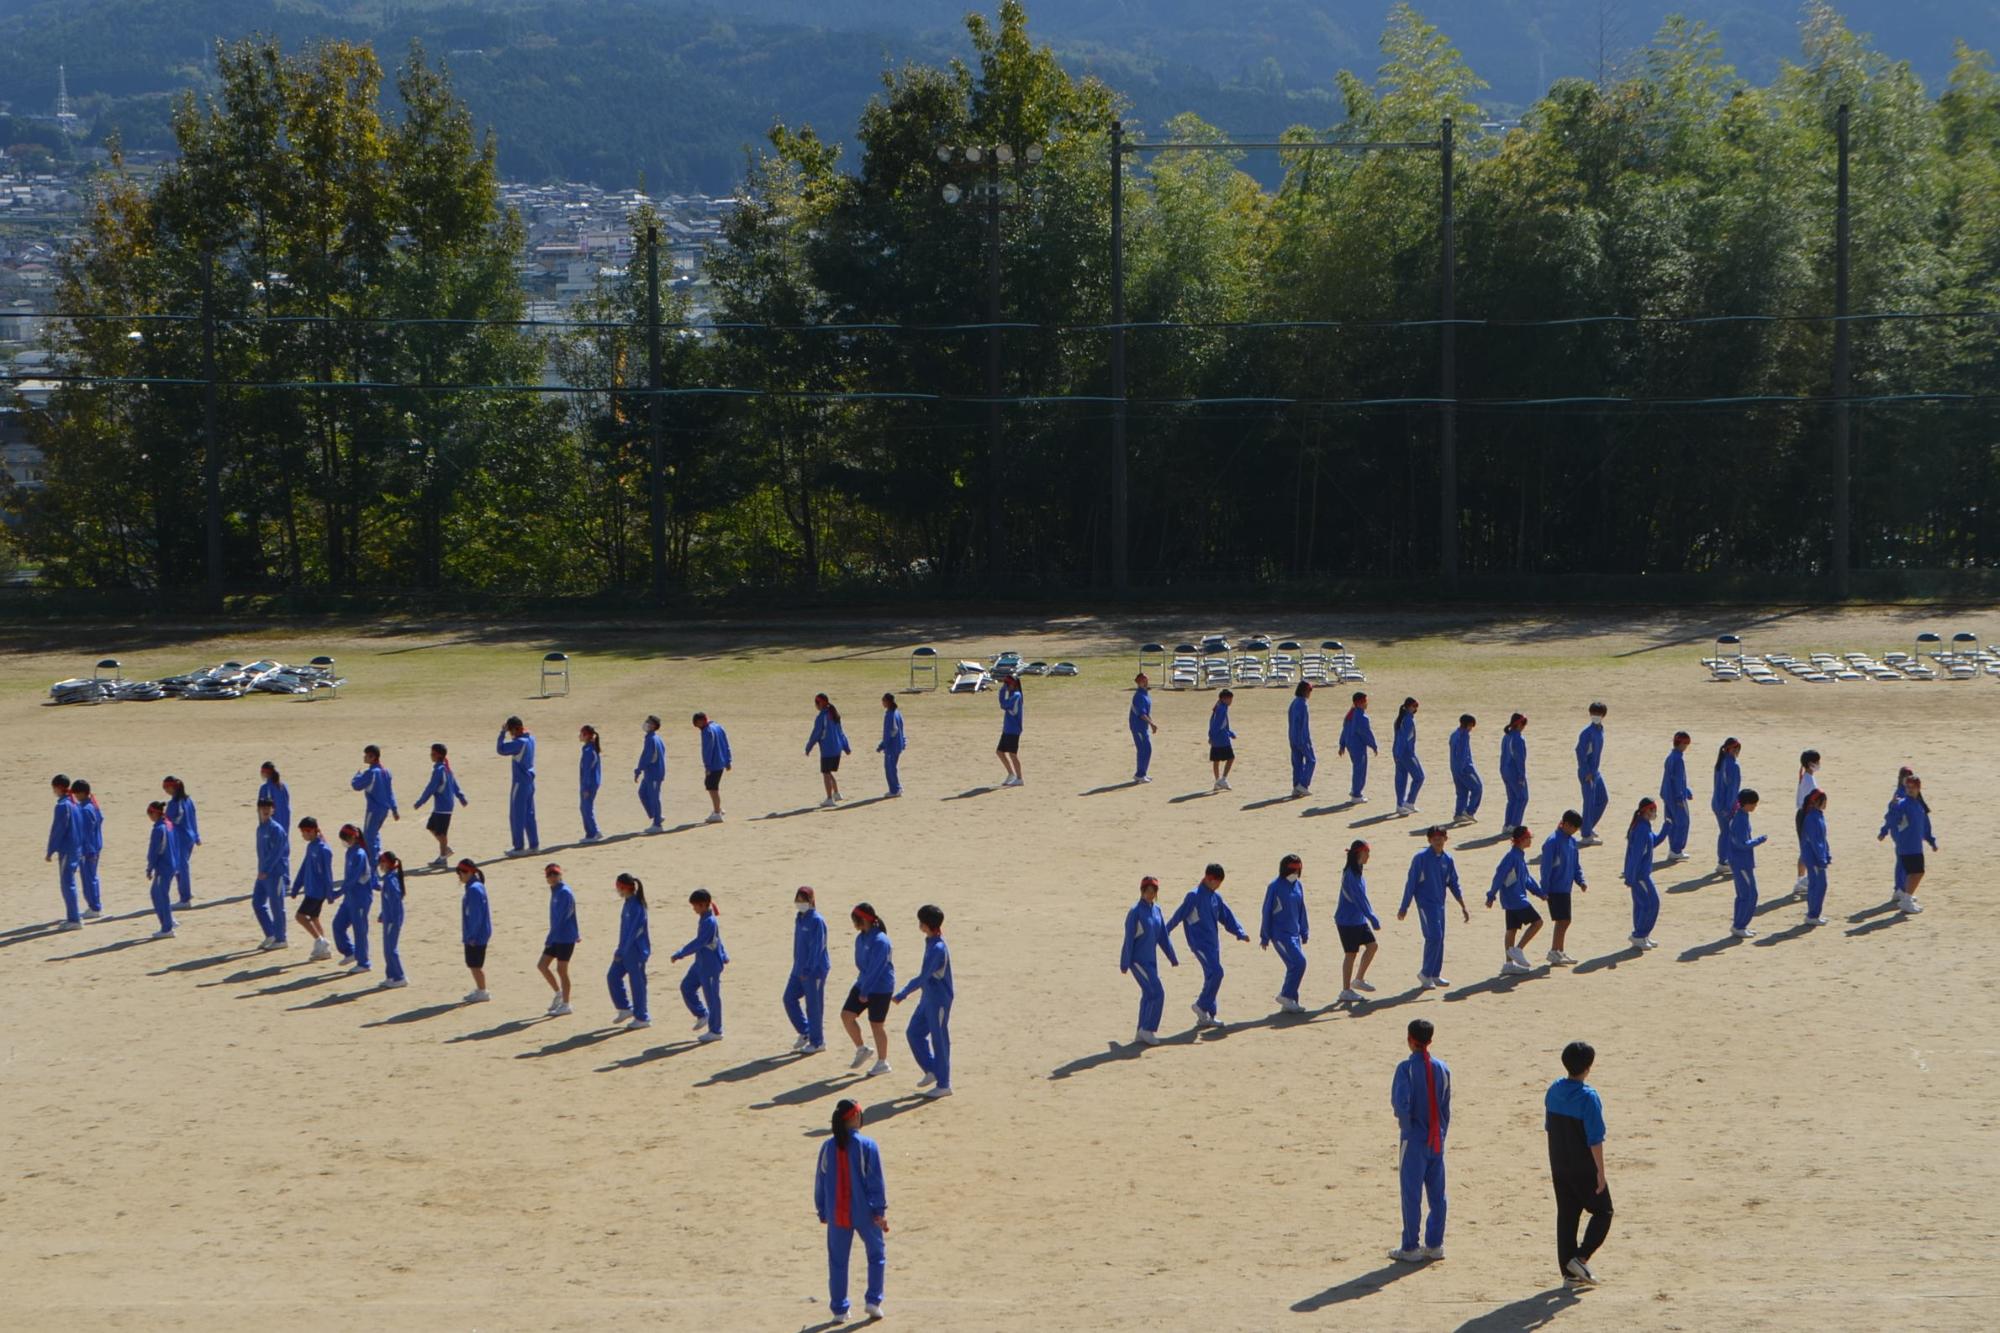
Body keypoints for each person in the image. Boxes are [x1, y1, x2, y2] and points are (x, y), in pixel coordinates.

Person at [815, 1099, 888, 1323]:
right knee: (876, 1254)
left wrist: (822, 1210)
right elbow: (875, 1182)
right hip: (864, 1212)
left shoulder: (827, 1147)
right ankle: (873, 1301)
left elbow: (820, 1181)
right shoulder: (868, 1145)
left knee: (837, 1261)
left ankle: (839, 1309)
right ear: (856, 1117)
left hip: (837, 1212)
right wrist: (879, 1211)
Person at [1546, 1040, 1613, 1287]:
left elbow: (1549, 1127)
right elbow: (1595, 1139)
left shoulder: (1553, 1090)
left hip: (1558, 1163)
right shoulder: (1588, 1097)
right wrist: (1600, 1173)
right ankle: (1580, 1258)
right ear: (1588, 1067)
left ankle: (1570, 1275)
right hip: (1583, 1166)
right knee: (1604, 1211)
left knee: (1567, 1216)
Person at [1389, 1018, 1452, 1263]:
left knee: (1411, 1193)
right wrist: (1441, 1132)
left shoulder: (1405, 1069)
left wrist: (1407, 1127)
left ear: (1410, 1040)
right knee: (1437, 1194)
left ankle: (1410, 1246)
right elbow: (1445, 1106)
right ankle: (1435, 1243)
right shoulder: (1442, 1068)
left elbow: (1401, 1104)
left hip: (1414, 1138)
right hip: (1436, 1138)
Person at [1166, 863, 1250, 1028]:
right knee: (1217, 973)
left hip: (1213, 944)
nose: (1218, 886)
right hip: (1200, 944)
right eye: (1217, 882)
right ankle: (1201, 1005)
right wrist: (1165, 931)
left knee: (1211, 977)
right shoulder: (1193, 896)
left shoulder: (1215, 897)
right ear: (1209, 879)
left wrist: (1239, 932)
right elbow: (1179, 915)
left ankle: (1208, 1016)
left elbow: (1227, 916)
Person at [893, 904, 954, 1099]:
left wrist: (903, 993)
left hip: (939, 1000)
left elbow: (923, 977)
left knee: (939, 1039)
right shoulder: (930, 941)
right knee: (913, 1033)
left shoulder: (938, 948)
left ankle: (944, 1084)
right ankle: (932, 1069)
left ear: (927, 924)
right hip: (927, 997)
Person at [1399, 826, 1468, 988]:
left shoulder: (1447, 859)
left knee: (1440, 938)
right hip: (1425, 904)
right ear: (1429, 840)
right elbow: (1411, 883)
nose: (1438, 841)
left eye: (1441, 838)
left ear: (1446, 839)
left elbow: (1453, 883)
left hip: (1440, 905)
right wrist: (1404, 906)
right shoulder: (1420, 858)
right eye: (1435, 838)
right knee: (1434, 937)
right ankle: (1425, 974)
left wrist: (1462, 905)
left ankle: (1435, 974)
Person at [1120, 875, 1179, 1045]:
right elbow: (1128, 939)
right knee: (1157, 993)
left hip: (1151, 961)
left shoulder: (1157, 910)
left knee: (1148, 994)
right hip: (1138, 961)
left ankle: (1141, 1031)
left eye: (1153, 891)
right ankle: (1148, 1029)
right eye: (1147, 890)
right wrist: (1125, 962)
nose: (1150, 894)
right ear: (1142, 891)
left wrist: (1172, 956)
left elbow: (1163, 936)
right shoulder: (1135, 912)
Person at [841, 903, 896, 1074]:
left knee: (876, 1025)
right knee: (846, 1016)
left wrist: (865, 991)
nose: (854, 924)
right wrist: (863, 986)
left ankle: (882, 1062)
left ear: (864, 920)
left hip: (881, 987)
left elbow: (877, 969)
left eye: (855, 920)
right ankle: (862, 1049)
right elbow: (861, 964)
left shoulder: (880, 941)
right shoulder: (860, 938)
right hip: (863, 982)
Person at [1485, 824, 1545, 974]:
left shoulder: (1519, 856)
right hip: (1516, 899)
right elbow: (1499, 875)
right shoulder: (1512, 857)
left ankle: (1508, 964)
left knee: (1511, 929)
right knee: (1537, 922)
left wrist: (1539, 893)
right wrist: (1491, 895)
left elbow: (1526, 878)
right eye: (1528, 838)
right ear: (1521, 840)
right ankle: (1518, 949)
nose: (1530, 840)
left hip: (1511, 899)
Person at [671, 887, 728, 1040]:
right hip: (700, 963)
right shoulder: (704, 917)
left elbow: (700, 942)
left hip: (710, 966)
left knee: (712, 998)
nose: (694, 909)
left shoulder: (709, 921)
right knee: (686, 987)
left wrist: (681, 953)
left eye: (695, 906)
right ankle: (702, 1014)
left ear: (703, 905)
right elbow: (717, 939)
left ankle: (716, 1031)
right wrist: (724, 954)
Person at [1260, 853, 1310, 1014]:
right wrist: (1264, 936)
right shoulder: (1274, 887)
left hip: (1295, 934)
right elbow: (1266, 911)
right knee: (1300, 963)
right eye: (1292, 869)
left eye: (1298, 869)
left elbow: (1301, 910)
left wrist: (1304, 931)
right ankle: (1286, 995)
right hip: (1280, 935)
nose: (1295, 872)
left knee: (1294, 966)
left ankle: (1291, 1002)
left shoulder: (1298, 885)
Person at [1880, 774, 1936, 914]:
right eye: (1908, 787)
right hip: (1907, 845)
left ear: (1918, 788)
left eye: (1913, 787)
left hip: (1916, 846)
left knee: (1916, 873)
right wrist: (1885, 829)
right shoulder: (1902, 804)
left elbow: (1925, 824)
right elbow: (1891, 819)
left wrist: (1931, 840)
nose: (1910, 789)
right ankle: (1906, 899)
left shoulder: (1919, 805)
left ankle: (1906, 897)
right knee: (1915, 873)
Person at [1334, 841, 1382, 1004]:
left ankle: (1358, 979)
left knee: (1372, 946)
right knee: (1351, 954)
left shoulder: (1358, 871)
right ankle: (1346, 990)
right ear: (1359, 854)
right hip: (1347, 921)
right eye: (1367, 853)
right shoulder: (1350, 875)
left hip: (1358, 920)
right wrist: (1372, 917)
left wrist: (1368, 916)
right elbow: (1359, 899)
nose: (1368, 856)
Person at [1538, 811, 1589, 965]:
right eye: (1574, 827)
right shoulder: (1552, 842)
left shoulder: (1572, 841)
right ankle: (1555, 951)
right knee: (1563, 920)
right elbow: (1545, 868)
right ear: (1565, 824)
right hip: (1555, 888)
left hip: (1566, 888)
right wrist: (1544, 889)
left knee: (1564, 920)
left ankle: (1558, 951)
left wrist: (1580, 880)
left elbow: (1575, 865)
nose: (1575, 831)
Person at [786, 887, 831, 1053]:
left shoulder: (817, 921)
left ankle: (818, 1042)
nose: (799, 903)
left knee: (814, 1006)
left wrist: (809, 968)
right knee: (788, 998)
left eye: (803, 900)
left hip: (814, 971)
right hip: (798, 968)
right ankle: (805, 1031)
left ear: (811, 900)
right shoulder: (799, 918)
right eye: (797, 900)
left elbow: (818, 947)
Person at [411, 742, 467, 868]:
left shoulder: (439, 770)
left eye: (433, 753)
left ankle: (443, 857)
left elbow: (431, 788)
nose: (431, 755)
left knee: (441, 833)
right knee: (431, 826)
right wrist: (461, 797)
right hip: (442, 806)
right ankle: (445, 849)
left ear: (439, 755)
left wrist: (420, 802)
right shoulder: (446, 769)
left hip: (443, 807)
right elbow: (455, 785)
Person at [1621, 799, 1667, 950]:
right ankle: (1639, 935)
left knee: (1641, 904)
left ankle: (1642, 935)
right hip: (1639, 875)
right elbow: (1636, 855)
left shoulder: (1644, 826)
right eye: (1652, 810)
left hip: (1640, 874)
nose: (1654, 813)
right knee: (1652, 903)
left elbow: (1653, 842)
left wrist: (1666, 828)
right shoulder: (1641, 829)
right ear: (1645, 811)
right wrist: (1631, 877)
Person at [608, 872, 651, 1029]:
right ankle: (625, 1008)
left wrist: (622, 951)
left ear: (624, 887)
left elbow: (634, 932)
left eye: (618, 887)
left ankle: (642, 1017)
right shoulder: (627, 903)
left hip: (636, 952)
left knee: (637, 984)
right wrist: (620, 948)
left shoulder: (637, 907)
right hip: (624, 950)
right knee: (612, 976)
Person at [348, 746, 398, 883]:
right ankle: (378, 857)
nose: (364, 757)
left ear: (373, 757)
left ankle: (373, 871)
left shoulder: (371, 773)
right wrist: (394, 809)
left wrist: (357, 775)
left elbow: (356, 785)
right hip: (384, 810)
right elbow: (390, 792)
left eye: (367, 755)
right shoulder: (386, 772)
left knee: (368, 839)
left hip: (373, 810)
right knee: (374, 835)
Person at [330, 823, 374, 974]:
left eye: (346, 838)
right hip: (350, 897)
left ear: (354, 837)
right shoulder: (349, 852)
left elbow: (353, 879)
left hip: (360, 897)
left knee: (360, 930)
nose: (344, 842)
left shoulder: (360, 854)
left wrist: (338, 892)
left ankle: (364, 962)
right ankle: (350, 952)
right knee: (338, 925)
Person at [289, 816, 335, 959]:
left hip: (317, 892)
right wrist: (296, 886)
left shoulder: (324, 850)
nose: (303, 835)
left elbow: (328, 873)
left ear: (313, 831)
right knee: (314, 918)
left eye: (306, 831)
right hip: (310, 890)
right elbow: (304, 867)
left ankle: (319, 941)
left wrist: (329, 893)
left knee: (300, 916)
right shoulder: (311, 847)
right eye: (302, 832)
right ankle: (323, 949)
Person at [1726, 788, 1768, 939]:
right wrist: (1759, 840)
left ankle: (1739, 925)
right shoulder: (1740, 819)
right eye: (1754, 803)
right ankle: (1739, 925)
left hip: (1741, 861)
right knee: (1749, 894)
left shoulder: (1741, 815)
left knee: (1743, 894)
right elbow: (1742, 844)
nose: (1755, 806)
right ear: (1747, 803)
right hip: (1741, 862)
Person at [539, 863, 580, 1017]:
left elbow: (565, 917)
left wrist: (551, 936)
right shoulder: (555, 891)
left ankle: (566, 1004)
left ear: (560, 874)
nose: (553, 877)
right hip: (556, 936)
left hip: (565, 937)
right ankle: (559, 994)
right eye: (549, 874)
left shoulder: (564, 892)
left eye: (555, 874)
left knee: (562, 970)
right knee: (542, 965)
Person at [496, 718, 539, 855]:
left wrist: (502, 733)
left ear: (515, 729)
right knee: (529, 814)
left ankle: (519, 847)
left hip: (520, 783)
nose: (511, 734)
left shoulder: (519, 743)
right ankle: (534, 844)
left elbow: (500, 749)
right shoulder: (531, 739)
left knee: (516, 815)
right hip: (530, 781)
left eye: (511, 731)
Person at [250, 800, 289, 950]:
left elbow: (277, 853)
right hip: (262, 873)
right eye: (263, 808)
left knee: (277, 905)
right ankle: (271, 933)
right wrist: (262, 870)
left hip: (274, 873)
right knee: (257, 903)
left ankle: (281, 938)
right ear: (258, 810)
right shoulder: (260, 828)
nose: (265, 810)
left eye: (268, 808)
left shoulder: (276, 829)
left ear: (273, 810)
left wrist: (266, 870)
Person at [45, 774, 82, 930]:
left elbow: (58, 829)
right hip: (76, 847)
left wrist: (51, 849)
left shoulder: (62, 806)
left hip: (67, 848)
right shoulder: (74, 803)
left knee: (67, 884)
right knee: (70, 882)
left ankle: (74, 919)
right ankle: (74, 916)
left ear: (59, 787)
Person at [143, 801, 180, 940]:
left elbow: (154, 851)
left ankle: (167, 927)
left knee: (160, 895)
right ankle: (169, 920)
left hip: (164, 866)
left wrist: (150, 867)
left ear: (154, 813)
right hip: (171, 864)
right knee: (158, 893)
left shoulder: (158, 829)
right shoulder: (168, 825)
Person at [807, 696, 853, 807]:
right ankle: (836, 793)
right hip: (837, 749)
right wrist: (846, 747)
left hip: (828, 749)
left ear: (820, 704)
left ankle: (829, 798)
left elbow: (816, 734)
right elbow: (841, 733)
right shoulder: (834, 714)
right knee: (827, 772)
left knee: (826, 773)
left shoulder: (822, 717)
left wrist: (808, 747)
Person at [458, 860, 493, 1003]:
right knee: (473, 964)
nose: (459, 876)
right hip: (478, 932)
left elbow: (475, 915)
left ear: (469, 872)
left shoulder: (474, 890)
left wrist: (472, 936)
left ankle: (482, 991)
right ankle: (480, 989)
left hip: (477, 934)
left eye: (461, 873)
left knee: (475, 965)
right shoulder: (475, 886)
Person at [162, 775, 200, 906]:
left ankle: (185, 898)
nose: (165, 790)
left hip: (180, 839)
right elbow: (193, 819)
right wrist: (197, 836)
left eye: (166, 787)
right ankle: (186, 892)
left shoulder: (174, 804)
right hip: (190, 837)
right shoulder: (188, 800)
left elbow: (172, 822)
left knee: (181, 868)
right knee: (181, 866)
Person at [1575, 703, 1609, 846]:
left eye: (1598, 713)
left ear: (1603, 715)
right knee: (1589, 803)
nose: (1595, 716)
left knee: (1603, 799)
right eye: (1593, 713)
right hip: (1587, 773)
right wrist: (1586, 771)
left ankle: (1586, 826)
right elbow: (1579, 752)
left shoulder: (1600, 730)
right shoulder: (1587, 733)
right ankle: (1586, 836)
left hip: (1595, 772)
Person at [1798, 789, 1833, 926]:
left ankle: (1813, 914)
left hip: (1815, 857)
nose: (1826, 803)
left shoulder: (1817, 815)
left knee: (1816, 885)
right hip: (1814, 859)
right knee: (1819, 885)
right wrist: (1822, 858)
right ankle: (1813, 915)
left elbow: (1822, 838)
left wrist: (1827, 853)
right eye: (1824, 801)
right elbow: (1815, 841)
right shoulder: (1813, 818)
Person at [70, 778, 104, 919]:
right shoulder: (92, 805)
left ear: (82, 793)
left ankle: (94, 907)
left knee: (88, 878)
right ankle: (95, 906)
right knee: (92, 877)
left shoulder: (84, 809)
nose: (75, 796)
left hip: (88, 849)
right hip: (95, 845)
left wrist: (86, 849)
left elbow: (85, 831)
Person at [1709, 738, 1742, 877]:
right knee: (1728, 833)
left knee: (1724, 832)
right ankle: (1724, 861)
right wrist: (1730, 808)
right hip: (1726, 805)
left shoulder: (1721, 762)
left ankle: (1724, 860)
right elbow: (1732, 790)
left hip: (1717, 803)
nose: (1737, 751)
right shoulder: (1733, 766)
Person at [376, 850, 408, 989]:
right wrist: (383, 914)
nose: (380, 866)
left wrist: (392, 920)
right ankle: (390, 976)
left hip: (393, 920)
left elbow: (395, 901)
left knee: (391, 949)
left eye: (381, 863)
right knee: (387, 949)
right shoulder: (389, 878)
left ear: (387, 864)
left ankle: (399, 977)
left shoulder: (390, 880)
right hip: (388, 918)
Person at [1660, 732, 1693, 864]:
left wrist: (1686, 790)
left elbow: (1671, 777)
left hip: (1667, 794)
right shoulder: (1678, 759)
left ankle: (1673, 849)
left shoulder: (1671, 757)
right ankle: (1676, 850)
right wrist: (1680, 796)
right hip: (1675, 796)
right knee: (1683, 822)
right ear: (1681, 743)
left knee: (1672, 822)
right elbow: (1678, 779)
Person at [1793, 749, 1823, 896]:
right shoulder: (1809, 780)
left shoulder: (1806, 776)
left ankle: (1801, 879)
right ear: (1811, 764)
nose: (1819, 764)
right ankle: (1803, 880)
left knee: (1805, 848)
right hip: (1807, 816)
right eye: (1817, 762)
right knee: (1808, 849)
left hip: (1803, 815)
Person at [1338, 692, 1377, 803]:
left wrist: (1342, 744)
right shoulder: (1362, 717)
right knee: (1360, 770)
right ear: (1360, 703)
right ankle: (1356, 794)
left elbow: (1344, 730)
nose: (1367, 703)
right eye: (1365, 701)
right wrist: (1373, 745)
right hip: (1358, 746)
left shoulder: (1350, 714)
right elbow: (1366, 733)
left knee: (1357, 768)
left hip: (1350, 745)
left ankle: (1355, 790)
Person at [694, 712, 733, 822]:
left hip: (714, 764)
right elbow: (726, 743)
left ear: (701, 721)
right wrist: (728, 760)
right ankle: (718, 809)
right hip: (721, 762)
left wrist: (707, 766)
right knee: (711, 786)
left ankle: (717, 813)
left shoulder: (707, 731)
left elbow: (707, 750)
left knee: (712, 788)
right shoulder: (718, 726)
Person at [1392, 698, 1424, 816]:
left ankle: (1400, 805)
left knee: (1401, 779)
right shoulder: (1408, 720)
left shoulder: (1400, 719)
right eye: (1414, 706)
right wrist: (1400, 754)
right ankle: (1409, 802)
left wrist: (1396, 754)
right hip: (1406, 754)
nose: (1416, 709)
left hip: (1399, 753)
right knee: (1419, 777)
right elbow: (1404, 739)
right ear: (1409, 707)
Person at [634, 715, 666, 831]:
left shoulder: (652, 739)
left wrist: (639, 769)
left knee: (654, 797)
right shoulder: (652, 738)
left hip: (654, 773)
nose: (646, 723)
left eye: (649, 722)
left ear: (654, 726)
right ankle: (656, 815)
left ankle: (657, 824)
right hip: (650, 773)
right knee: (642, 793)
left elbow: (648, 757)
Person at [1448, 715, 1482, 825]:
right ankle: (1469, 811)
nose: (1471, 729)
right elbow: (1463, 754)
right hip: (1465, 768)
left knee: (1462, 792)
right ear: (1468, 725)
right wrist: (1463, 768)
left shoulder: (1454, 734)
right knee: (1477, 788)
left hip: (1454, 767)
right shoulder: (1464, 736)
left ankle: (1458, 814)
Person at [1500, 713, 1530, 835]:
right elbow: (1520, 759)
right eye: (1523, 724)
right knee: (1522, 798)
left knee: (1512, 799)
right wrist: (1521, 775)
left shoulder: (1506, 737)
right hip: (1514, 772)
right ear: (1518, 724)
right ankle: (1515, 825)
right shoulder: (1518, 738)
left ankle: (1507, 824)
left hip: (1505, 771)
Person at [1287, 680, 1315, 798]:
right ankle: (1303, 784)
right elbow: (1303, 725)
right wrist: (1306, 740)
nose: (1310, 693)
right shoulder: (1303, 704)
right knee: (1311, 760)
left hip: (1292, 737)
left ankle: (1296, 787)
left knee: (1297, 763)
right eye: (1309, 690)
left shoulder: (1294, 703)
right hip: (1301, 738)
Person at [996, 674, 1025, 787]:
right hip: (1007, 729)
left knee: (1013, 754)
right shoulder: (1012, 694)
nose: (1007, 686)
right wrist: (1004, 688)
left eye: (1008, 684)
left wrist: (1003, 690)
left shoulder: (1016, 696)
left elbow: (1003, 704)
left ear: (1014, 684)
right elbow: (1003, 703)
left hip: (1013, 730)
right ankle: (1011, 774)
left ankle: (1019, 778)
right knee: (1000, 752)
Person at [1207, 689, 1238, 791]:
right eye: (1230, 699)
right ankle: (1223, 779)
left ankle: (1217, 782)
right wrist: (1212, 736)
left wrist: (1229, 733)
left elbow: (1215, 722)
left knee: (1216, 761)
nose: (1231, 701)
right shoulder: (1222, 709)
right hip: (1222, 739)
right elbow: (1217, 725)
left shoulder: (1219, 706)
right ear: (1224, 699)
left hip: (1218, 738)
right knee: (1231, 758)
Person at [1130, 673, 1158, 783]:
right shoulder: (1139, 696)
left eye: (1146, 680)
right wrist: (1151, 724)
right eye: (1144, 681)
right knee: (1144, 749)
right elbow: (1141, 714)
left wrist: (1150, 723)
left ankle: (1142, 774)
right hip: (1138, 727)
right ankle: (1140, 775)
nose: (1146, 683)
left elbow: (1146, 712)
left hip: (1143, 727)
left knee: (1146, 749)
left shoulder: (1144, 694)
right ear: (1139, 683)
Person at [578, 725, 604, 842]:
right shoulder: (591, 748)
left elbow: (587, 771)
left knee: (585, 808)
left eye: (581, 733)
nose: (579, 736)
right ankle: (595, 831)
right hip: (593, 782)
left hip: (589, 784)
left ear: (586, 735)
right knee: (587, 807)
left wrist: (585, 788)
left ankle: (592, 833)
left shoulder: (588, 751)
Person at [878, 694, 908, 798]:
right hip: (897, 745)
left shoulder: (891, 715)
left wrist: (883, 745)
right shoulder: (897, 713)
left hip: (892, 746)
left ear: (888, 702)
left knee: (890, 768)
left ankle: (895, 789)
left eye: (883, 700)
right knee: (892, 767)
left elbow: (892, 732)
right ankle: (896, 788)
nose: (882, 702)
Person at [258, 761, 292, 835]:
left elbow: (261, 808)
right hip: (285, 818)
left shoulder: (265, 788)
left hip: (272, 821)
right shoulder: (284, 786)